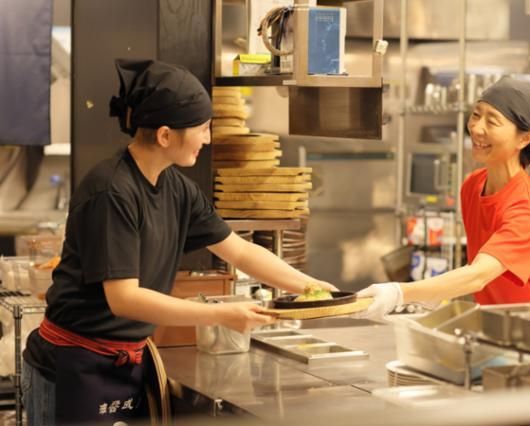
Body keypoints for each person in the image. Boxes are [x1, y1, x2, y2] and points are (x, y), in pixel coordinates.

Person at [22, 59, 337, 426]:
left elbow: (239, 250)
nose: (208, 139)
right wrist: (222, 315)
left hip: (125, 363)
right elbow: (124, 298)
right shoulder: (112, 191)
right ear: (165, 135)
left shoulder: (177, 189)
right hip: (73, 364)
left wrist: (315, 289)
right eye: (202, 129)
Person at [358, 77, 530, 320]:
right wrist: (433, 293)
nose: (476, 128)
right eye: (476, 115)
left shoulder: (528, 206)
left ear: (524, 138)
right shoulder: (473, 186)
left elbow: (479, 275)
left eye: (492, 121)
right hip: (507, 326)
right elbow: (481, 268)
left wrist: (400, 293)